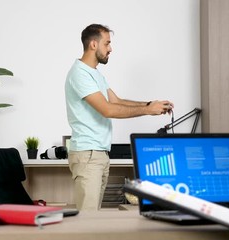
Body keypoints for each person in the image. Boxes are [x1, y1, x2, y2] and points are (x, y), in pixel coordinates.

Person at [64, 23, 174, 211]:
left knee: (93, 218)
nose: (110, 49)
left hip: (98, 154)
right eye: (107, 44)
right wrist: (148, 111)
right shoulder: (80, 74)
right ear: (93, 44)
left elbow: (116, 101)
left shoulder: (95, 74)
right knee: (87, 220)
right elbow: (108, 110)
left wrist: (149, 104)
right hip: (88, 154)